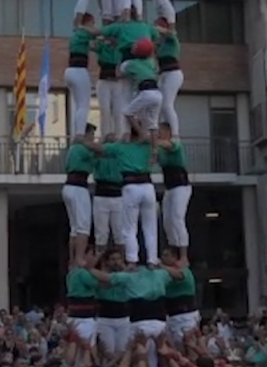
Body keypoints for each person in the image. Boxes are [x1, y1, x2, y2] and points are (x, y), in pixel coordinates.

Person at [77, 133, 156, 265]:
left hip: (111, 194)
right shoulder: (117, 151)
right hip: (109, 193)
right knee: (110, 233)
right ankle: (109, 263)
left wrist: (87, 142)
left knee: (113, 233)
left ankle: (120, 262)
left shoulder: (118, 151)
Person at [63, 123, 97, 268]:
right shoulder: (82, 149)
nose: (93, 139)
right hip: (78, 186)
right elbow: (98, 152)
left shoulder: (72, 149)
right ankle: (79, 258)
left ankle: (72, 258)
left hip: (69, 186)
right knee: (83, 226)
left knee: (74, 227)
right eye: (92, 135)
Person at [156, 124, 190, 256]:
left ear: (168, 132)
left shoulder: (176, 144)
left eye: (160, 132)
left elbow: (168, 145)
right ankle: (173, 246)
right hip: (169, 187)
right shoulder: (160, 150)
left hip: (181, 186)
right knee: (167, 220)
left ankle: (183, 252)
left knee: (177, 217)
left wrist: (152, 140)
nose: (158, 134)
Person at [89, 248, 130, 359]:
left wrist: (124, 268)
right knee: (108, 350)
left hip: (124, 318)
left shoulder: (127, 276)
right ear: (107, 261)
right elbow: (93, 272)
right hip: (105, 319)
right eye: (113, 259)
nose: (116, 262)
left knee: (123, 350)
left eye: (118, 259)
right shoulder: (99, 276)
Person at [91, 133, 124, 254]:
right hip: (109, 193)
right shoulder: (102, 156)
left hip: (109, 194)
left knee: (105, 233)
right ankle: (105, 260)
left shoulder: (117, 156)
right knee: (114, 232)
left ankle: (117, 260)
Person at [160, 247, 197, 345]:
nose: (163, 258)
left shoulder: (183, 269)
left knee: (189, 343)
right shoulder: (164, 274)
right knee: (176, 345)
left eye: (166, 255)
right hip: (171, 315)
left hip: (186, 314)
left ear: (174, 257)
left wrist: (161, 266)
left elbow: (179, 276)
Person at [93, 32, 125, 138]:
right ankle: (105, 136)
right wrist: (101, 39)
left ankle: (119, 136)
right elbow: (93, 46)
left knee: (118, 112)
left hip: (117, 82)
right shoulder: (103, 47)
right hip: (104, 80)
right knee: (105, 110)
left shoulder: (120, 50)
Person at [65, 24, 94, 137]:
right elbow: (97, 33)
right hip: (79, 70)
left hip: (69, 71)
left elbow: (92, 47)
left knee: (77, 105)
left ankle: (76, 132)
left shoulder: (75, 37)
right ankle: (80, 133)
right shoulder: (83, 33)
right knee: (83, 105)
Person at [155, 21, 182, 136]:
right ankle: (159, 131)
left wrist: (158, 28)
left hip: (173, 73)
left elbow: (170, 33)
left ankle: (175, 133)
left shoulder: (172, 40)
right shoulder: (159, 45)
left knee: (167, 104)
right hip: (163, 74)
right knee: (158, 105)